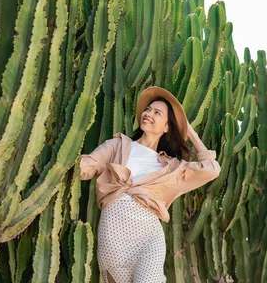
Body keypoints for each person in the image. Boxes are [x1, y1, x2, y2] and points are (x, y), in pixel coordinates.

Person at [80, 86, 221, 283]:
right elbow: (89, 164)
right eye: (147, 109)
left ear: (166, 127)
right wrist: (64, 165)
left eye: (157, 113)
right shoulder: (118, 145)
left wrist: (190, 132)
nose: (148, 114)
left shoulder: (172, 167)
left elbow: (211, 169)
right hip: (114, 233)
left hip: (149, 235)